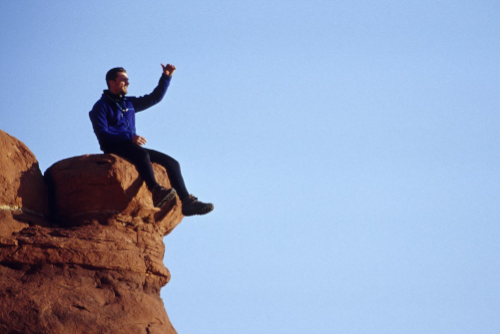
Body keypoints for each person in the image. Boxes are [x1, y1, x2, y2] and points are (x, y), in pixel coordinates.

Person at [89, 64, 213, 216]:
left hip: (130, 144)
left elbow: (155, 98)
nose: (128, 83)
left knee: (172, 163)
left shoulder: (129, 103)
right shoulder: (100, 107)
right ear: (112, 83)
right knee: (142, 155)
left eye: (128, 80)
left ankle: (187, 202)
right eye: (124, 80)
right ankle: (156, 191)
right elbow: (102, 133)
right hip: (114, 146)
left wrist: (166, 76)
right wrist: (129, 137)